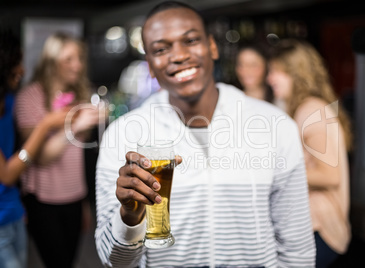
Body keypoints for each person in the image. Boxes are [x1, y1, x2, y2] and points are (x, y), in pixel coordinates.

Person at [95, 2, 315, 267]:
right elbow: (114, 262)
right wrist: (129, 218)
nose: (178, 55)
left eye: (190, 40)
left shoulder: (275, 125)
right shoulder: (123, 134)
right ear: (150, 66)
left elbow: (297, 245)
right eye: (161, 49)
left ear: (212, 47)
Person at [14, 32, 104, 268]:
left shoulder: (80, 95)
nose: (77, 65)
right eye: (69, 59)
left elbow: (78, 156)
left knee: (69, 261)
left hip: (74, 196)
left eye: (80, 58)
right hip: (43, 200)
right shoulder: (29, 97)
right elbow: (41, 158)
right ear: (51, 61)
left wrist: (84, 202)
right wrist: (76, 126)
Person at [266, 38, 352, 267]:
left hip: (321, 228)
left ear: (297, 72)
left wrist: (270, 173)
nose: (269, 78)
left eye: (276, 71)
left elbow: (330, 176)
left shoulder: (310, 110)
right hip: (313, 226)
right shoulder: (305, 107)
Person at [0, 28, 69, 268]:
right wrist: (46, 124)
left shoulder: (9, 100)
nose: (22, 70)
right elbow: (7, 175)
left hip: (14, 213)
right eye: (15, 62)